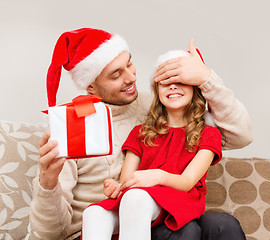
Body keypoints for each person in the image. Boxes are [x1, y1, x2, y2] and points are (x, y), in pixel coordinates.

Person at [30, 28, 251, 240]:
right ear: (91, 86)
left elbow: (241, 135)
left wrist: (206, 78)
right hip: (113, 217)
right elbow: (49, 233)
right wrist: (48, 183)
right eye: (116, 74)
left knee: (224, 225)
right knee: (184, 231)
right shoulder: (72, 128)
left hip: (163, 207)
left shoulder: (157, 107)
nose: (131, 78)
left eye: (129, 64)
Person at [81, 49, 223, 240]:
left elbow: (187, 182)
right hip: (139, 200)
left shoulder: (208, 134)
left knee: (135, 198)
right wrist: (116, 187)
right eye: (165, 82)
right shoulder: (141, 132)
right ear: (157, 90)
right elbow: (127, 181)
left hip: (179, 199)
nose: (172, 86)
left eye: (180, 81)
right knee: (93, 213)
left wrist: (156, 176)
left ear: (195, 89)